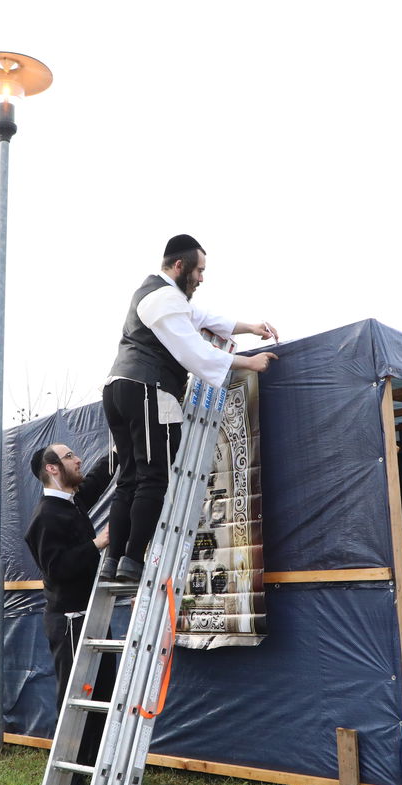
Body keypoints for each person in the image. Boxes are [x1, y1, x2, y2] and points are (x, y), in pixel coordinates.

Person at [101, 234, 278, 583]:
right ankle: (132, 561)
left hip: (120, 389)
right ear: (179, 266)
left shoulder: (157, 294)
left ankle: (114, 561)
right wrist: (248, 362)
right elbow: (193, 352)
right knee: (154, 477)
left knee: (130, 478)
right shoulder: (164, 299)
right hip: (148, 390)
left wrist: (248, 326)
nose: (201, 278)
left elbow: (201, 316)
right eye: (198, 270)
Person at [22, 442, 114, 776]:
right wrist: (96, 544)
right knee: (78, 697)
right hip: (70, 621)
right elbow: (56, 568)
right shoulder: (45, 516)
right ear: (52, 468)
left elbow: (94, 481)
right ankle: (72, 777)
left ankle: (94, 770)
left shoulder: (71, 505)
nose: (78, 459)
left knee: (102, 692)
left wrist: (121, 443)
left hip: (92, 614)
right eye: (70, 456)